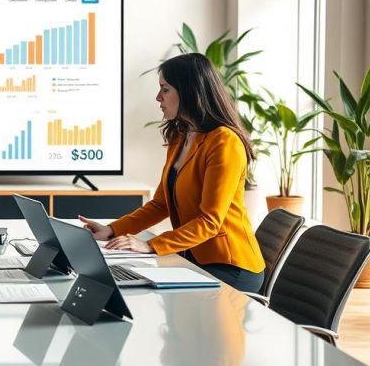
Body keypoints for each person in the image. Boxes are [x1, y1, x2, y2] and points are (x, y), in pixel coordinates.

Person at [79, 52, 266, 293]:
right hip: (194, 259)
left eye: (165, 89)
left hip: (230, 267)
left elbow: (209, 222)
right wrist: (112, 230)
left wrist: (150, 245)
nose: (158, 97)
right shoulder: (181, 136)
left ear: (189, 91)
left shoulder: (224, 142)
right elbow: (160, 205)